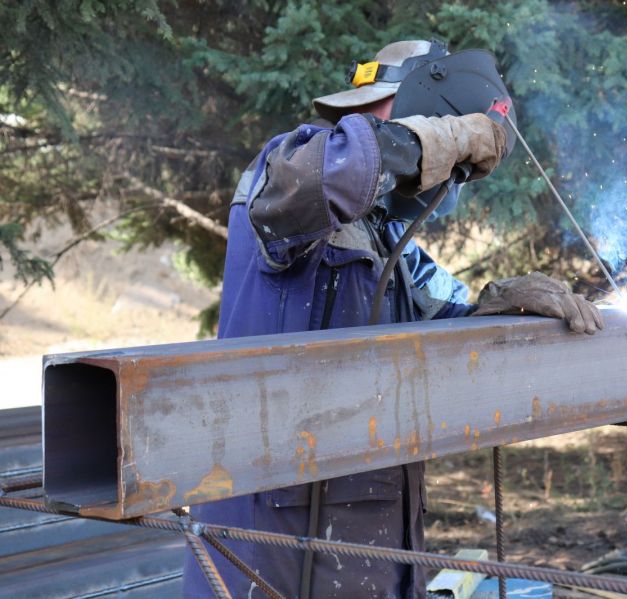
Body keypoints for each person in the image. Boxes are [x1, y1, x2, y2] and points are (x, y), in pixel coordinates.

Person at [182, 40, 603, 599]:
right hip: (270, 544)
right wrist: (449, 135)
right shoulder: (288, 174)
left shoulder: (391, 246)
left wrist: (496, 305)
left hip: (372, 539)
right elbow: (336, 173)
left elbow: (440, 322)